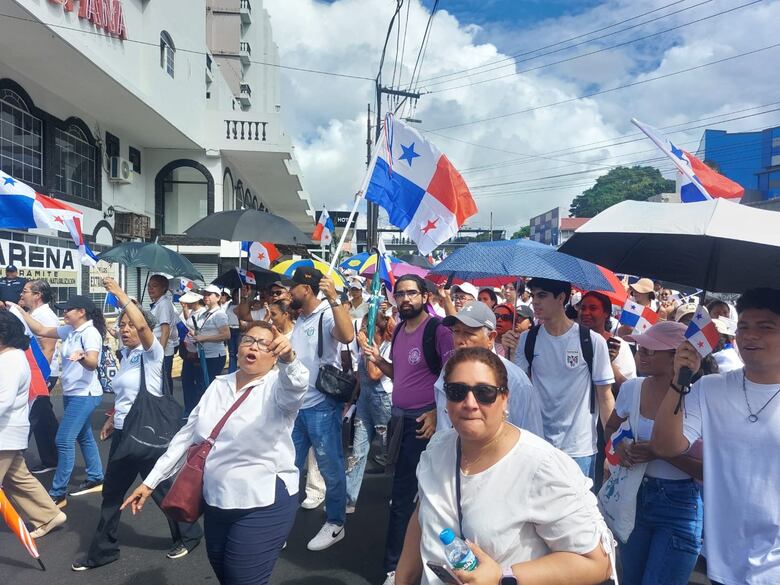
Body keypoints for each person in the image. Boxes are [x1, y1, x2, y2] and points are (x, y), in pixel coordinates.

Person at [394, 347, 614, 585]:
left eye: (484, 393)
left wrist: (503, 575)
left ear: (505, 398)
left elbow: (597, 563)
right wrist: (403, 579)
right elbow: (425, 514)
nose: (470, 403)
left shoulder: (541, 466)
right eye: (457, 391)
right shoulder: (438, 449)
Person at [122, 322, 308, 585]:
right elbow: (188, 435)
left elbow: (296, 386)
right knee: (222, 570)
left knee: (244, 579)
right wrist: (151, 481)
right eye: (248, 340)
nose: (254, 346)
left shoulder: (278, 388)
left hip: (263, 500)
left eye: (264, 344)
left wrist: (290, 359)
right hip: (216, 498)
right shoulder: (219, 385)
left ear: (275, 354)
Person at [71, 278, 202, 571]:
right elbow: (126, 394)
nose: (126, 328)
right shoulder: (128, 356)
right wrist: (112, 418)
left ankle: (189, 533)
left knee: (159, 489)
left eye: (131, 323)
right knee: (115, 494)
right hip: (123, 434)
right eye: (122, 324)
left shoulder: (152, 354)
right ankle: (104, 551)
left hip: (146, 435)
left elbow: (144, 328)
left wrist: (118, 292)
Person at [652, 287, 780, 585]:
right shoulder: (711, 388)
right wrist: (679, 380)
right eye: (744, 327)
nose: (751, 335)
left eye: (766, 327)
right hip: (724, 557)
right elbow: (666, 445)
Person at [361, 274, 454, 583]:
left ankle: (402, 566)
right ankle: (399, 564)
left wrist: (437, 413)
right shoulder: (399, 330)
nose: (405, 299)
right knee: (404, 494)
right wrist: (377, 359)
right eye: (400, 294)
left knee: (421, 496)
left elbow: (453, 377)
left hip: (424, 425)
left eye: (412, 293)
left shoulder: (438, 331)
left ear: (425, 297)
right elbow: (398, 373)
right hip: (399, 419)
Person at [604, 321, 703, 585]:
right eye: (640, 348)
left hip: (679, 502)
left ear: (678, 356)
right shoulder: (632, 388)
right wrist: (619, 446)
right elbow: (612, 427)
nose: (641, 355)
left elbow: (708, 470)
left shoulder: (699, 397)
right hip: (634, 496)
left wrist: (660, 452)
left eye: (651, 350)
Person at [503, 278, 615, 484]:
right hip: (537, 443)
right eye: (534, 295)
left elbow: (605, 396)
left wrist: (612, 447)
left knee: (576, 514)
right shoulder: (528, 339)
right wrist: (509, 354)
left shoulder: (592, 341)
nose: (535, 301)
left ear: (561, 298)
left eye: (542, 295)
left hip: (579, 448)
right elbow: (519, 389)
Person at [8, 294, 106, 507]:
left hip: (85, 394)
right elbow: (41, 330)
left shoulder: (89, 333)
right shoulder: (70, 330)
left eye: (68, 309)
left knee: (63, 440)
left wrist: (82, 357)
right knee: (84, 436)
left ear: (81, 312)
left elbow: (93, 362)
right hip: (73, 393)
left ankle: (58, 492)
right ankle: (96, 476)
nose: (64, 312)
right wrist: (17, 308)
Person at [288, 267, 355, 551]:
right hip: (295, 407)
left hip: (321, 407)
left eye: (293, 287)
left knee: (331, 467)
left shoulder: (326, 314)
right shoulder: (299, 319)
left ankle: (335, 522)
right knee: (287, 467)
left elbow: (348, 335)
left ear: (306, 289)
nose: (289, 291)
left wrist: (334, 299)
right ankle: (277, 522)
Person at [0, 310, 66, 538]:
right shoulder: (12, 357)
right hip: (9, 432)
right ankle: (49, 515)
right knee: (17, 478)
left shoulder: (10, 360)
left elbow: (3, 401)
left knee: (16, 478)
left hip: (5, 433)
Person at [435, 301, 543, 436]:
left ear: (491, 338)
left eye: (469, 333)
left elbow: (531, 435)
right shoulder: (448, 370)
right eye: (456, 331)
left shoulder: (515, 380)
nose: (459, 340)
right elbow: (442, 425)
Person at [345, 312, 394, 513]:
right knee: (357, 451)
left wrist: (367, 349)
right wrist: (350, 400)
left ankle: (396, 494)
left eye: (366, 325)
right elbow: (360, 377)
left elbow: (374, 374)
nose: (362, 330)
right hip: (365, 399)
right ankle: (349, 499)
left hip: (382, 401)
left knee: (388, 452)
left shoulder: (388, 348)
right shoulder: (363, 347)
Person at [18, 279, 60, 474]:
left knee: (28, 416)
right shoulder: (34, 314)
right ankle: (52, 458)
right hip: (34, 373)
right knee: (44, 419)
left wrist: (41, 378)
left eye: (26, 291)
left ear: (37, 295)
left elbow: (48, 348)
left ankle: (10, 460)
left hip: (42, 374)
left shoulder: (46, 316)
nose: (21, 294)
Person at [578, 291, 636, 391]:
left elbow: (627, 388)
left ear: (606, 313)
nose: (586, 313)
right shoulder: (570, 339)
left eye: (593, 308)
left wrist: (608, 362)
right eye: (583, 308)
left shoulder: (618, 345)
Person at [147, 274, 179, 393]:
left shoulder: (164, 304)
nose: (150, 289)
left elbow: (165, 331)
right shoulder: (158, 304)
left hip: (162, 352)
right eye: (149, 286)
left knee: (163, 384)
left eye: (154, 286)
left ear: (164, 288)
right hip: (155, 349)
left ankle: (166, 409)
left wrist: (159, 353)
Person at [192, 284, 230, 383]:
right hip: (203, 354)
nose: (206, 296)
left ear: (218, 297)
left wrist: (203, 338)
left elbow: (226, 335)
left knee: (208, 385)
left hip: (214, 355)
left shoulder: (219, 314)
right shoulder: (204, 313)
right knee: (202, 384)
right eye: (204, 294)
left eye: (209, 294)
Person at [178, 291, 207, 416]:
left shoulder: (204, 314)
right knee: (187, 380)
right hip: (188, 350)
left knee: (199, 383)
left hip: (197, 353)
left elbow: (201, 333)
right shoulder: (192, 312)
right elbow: (187, 321)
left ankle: (197, 410)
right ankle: (188, 408)